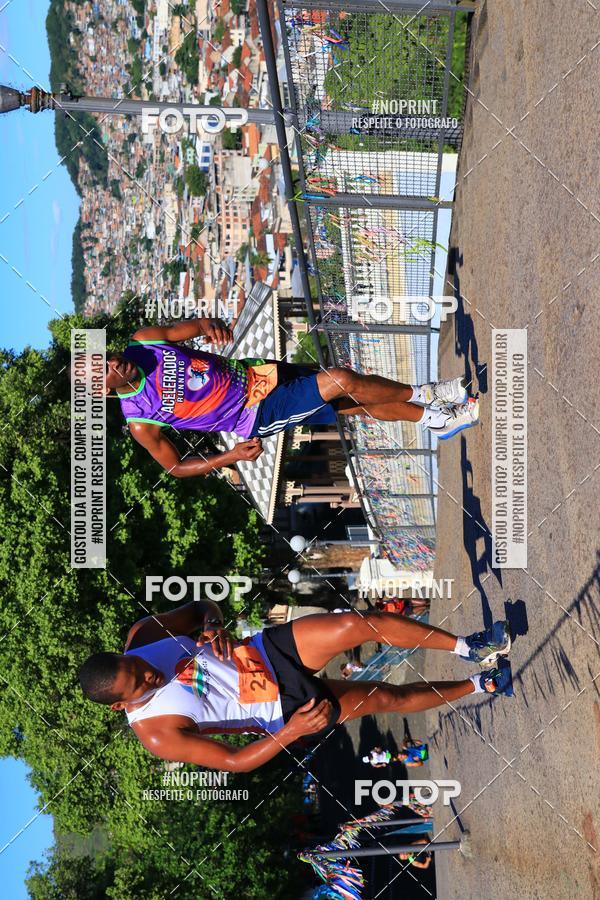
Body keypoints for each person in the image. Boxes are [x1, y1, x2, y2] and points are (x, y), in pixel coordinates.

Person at [78, 604, 513, 772]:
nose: (151, 673)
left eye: (138, 666)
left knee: (355, 624)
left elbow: (201, 609)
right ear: (120, 706)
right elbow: (233, 763)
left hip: (264, 654)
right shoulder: (156, 732)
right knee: (386, 698)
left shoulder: (142, 634)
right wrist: (289, 733)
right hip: (280, 710)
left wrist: (213, 625)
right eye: (140, 683)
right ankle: (481, 683)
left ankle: (470, 646)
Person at [101, 317, 479, 477]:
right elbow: (174, 467)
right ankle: (429, 395)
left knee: (353, 401)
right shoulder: (140, 420)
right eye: (107, 370)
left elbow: (195, 327)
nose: (115, 363)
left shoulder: (142, 341)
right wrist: (230, 456)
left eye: (107, 357)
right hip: (255, 413)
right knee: (341, 380)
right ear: (102, 390)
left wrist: (208, 326)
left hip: (260, 373)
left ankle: (434, 420)